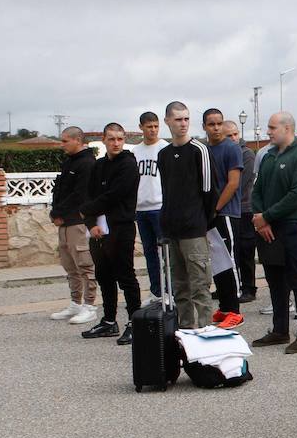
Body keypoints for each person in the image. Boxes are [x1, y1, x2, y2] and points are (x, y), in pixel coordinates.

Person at [250, 111, 297, 355]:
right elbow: (256, 190)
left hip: (293, 225)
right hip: (268, 227)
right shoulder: (268, 156)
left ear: (287, 128)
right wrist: (261, 219)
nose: (268, 132)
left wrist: (267, 216)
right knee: (275, 279)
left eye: (272, 127)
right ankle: (280, 330)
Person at [79, 122, 141, 342]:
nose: (116, 143)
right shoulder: (98, 165)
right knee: (104, 275)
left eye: (120, 139)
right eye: (112, 139)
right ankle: (108, 321)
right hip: (98, 229)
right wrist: (90, 223)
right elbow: (89, 194)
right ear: (104, 140)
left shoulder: (129, 165)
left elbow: (114, 195)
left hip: (121, 227)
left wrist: (86, 210)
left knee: (125, 275)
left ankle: (135, 322)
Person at [156, 103, 216, 329]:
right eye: (178, 119)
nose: (183, 124)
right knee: (179, 287)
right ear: (168, 121)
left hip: (194, 229)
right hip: (172, 230)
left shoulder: (199, 150)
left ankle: (206, 331)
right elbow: (166, 191)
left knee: (200, 286)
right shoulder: (163, 154)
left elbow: (210, 191)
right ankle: (186, 331)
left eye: (186, 119)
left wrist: (201, 222)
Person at [49, 126, 98, 326]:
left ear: (77, 140)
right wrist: (55, 212)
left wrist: (60, 212)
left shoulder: (87, 163)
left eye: (65, 141)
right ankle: (76, 302)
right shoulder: (69, 161)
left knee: (84, 264)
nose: (62, 145)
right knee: (69, 265)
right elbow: (60, 190)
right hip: (64, 222)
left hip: (78, 222)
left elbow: (80, 194)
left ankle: (90, 305)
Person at [202, 109, 244, 328]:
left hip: (226, 212)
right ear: (204, 127)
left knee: (229, 260)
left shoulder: (231, 148)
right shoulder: (204, 149)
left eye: (219, 123)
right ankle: (225, 307)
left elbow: (233, 183)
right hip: (209, 214)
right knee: (217, 261)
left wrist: (216, 208)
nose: (216, 128)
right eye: (211, 124)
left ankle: (235, 309)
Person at [129, 112, 168, 305]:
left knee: (166, 253)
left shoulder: (165, 148)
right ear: (141, 127)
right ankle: (156, 291)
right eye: (149, 126)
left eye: (155, 126)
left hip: (160, 207)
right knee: (150, 254)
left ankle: (170, 291)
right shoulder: (135, 151)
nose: (153, 130)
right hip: (141, 209)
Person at [223, 121, 257, 304]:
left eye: (235, 134)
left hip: (244, 208)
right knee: (229, 251)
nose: (233, 138)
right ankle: (230, 286)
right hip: (229, 210)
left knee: (245, 250)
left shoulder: (246, 154)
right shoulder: (223, 152)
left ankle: (249, 288)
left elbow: (240, 184)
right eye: (229, 135)